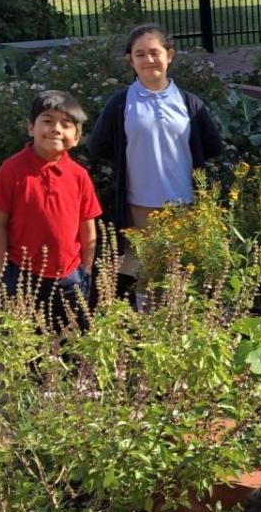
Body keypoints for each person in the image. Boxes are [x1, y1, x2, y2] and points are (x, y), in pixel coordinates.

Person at [88, 24, 224, 303]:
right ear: (130, 61)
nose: (149, 60)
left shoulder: (188, 103)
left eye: (155, 52)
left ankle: (180, 326)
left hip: (184, 203)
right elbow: (98, 146)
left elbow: (211, 146)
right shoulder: (121, 104)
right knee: (145, 272)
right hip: (140, 204)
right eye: (140, 54)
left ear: (169, 55)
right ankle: (149, 331)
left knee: (183, 270)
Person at [0, 90, 101, 330]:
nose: (56, 129)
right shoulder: (13, 169)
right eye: (47, 120)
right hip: (23, 276)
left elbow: (87, 226)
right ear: (31, 127)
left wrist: (86, 270)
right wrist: (5, 272)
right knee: (28, 346)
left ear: (76, 137)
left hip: (70, 278)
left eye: (66, 124)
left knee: (73, 344)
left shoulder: (79, 175)